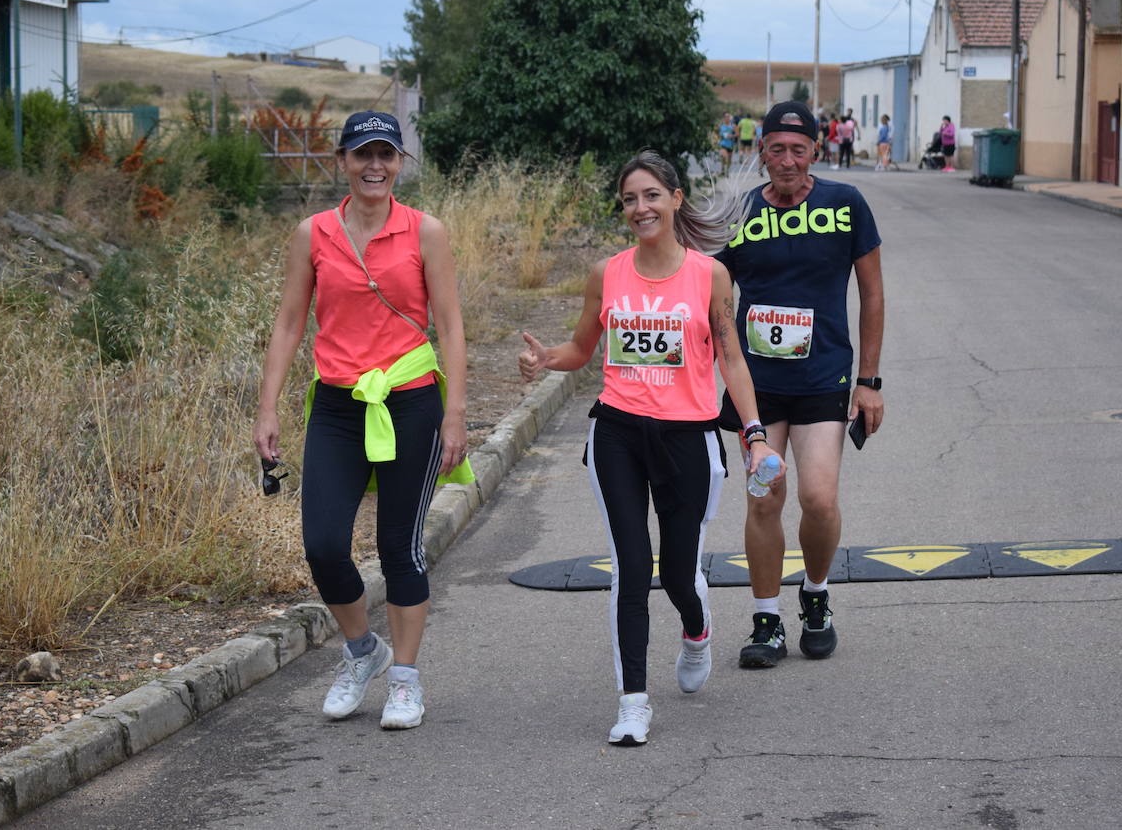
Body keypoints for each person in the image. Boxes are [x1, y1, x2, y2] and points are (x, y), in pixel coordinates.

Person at [518, 151, 782, 747]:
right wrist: (545, 359)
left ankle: (697, 625)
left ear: (675, 199)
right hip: (617, 432)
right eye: (630, 199)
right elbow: (581, 350)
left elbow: (731, 359)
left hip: (687, 436)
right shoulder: (606, 274)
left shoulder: (709, 275)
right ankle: (633, 700)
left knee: (677, 574)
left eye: (651, 196)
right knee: (632, 568)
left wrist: (755, 432)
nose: (641, 208)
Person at [253, 111, 472, 731]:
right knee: (322, 543)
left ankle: (404, 678)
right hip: (338, 404)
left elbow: (452, 325)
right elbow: (291, 323)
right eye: (361, 154)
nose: (374, 165)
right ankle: (361, 652)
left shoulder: (426, 231)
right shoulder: (313, 233)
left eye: (386, 154)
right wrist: (267, 407)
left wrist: (456, 413)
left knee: (399, 546)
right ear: (343, 161)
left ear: (399, 161)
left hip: (410, 400)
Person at [714, 100, 884, 671]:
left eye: (798, 149)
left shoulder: (845, 204)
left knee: (818, 497)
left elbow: (873, 294)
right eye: (775, 149)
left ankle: (815, 595)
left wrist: (869, 383)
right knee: (765, 499)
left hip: (823, 378)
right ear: (760, 151)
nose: (786, 161)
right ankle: (766, 618)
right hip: (757, 387)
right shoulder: (738, 213)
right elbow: (709, 298)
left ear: (816, 150)